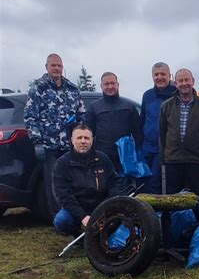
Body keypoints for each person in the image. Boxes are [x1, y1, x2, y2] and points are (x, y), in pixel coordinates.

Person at [24, 53, 85, 219]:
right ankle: (59, 218)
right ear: (47, 67)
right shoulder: (38, 89)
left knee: (73, 181)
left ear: (62, 67)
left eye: (59, 65)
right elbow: (30, 117)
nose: (57, 68)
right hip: (49, 146)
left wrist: (80, 136)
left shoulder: (72, 89)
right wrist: (37, 143)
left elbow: (82, 116)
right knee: (53, 183)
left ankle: (75, 215)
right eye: (53, 65)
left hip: (70, 146)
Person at [53, 124, 123, 236]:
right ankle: (78, 235)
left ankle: (103, 234)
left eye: (86, 138)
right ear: (72, 140)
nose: (83, 141)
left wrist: (108, 207)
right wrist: (83, 217)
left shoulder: (103, 159)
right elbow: (63, 195)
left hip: (101, 206)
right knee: (61, 220)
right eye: (79, 138)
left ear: (92, 140)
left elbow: (115, 183)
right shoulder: (62, 163)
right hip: (77, 207)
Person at [159, 68, 199, 200]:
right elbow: (162, 135)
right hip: (172, 162)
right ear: (176, 83)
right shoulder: (166, 106)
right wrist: (164, 160)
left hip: (197, 162)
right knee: (172, 201)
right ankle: (173, 221)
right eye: (180, 81)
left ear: (193, 81)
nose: (184, 83)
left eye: (187, 80)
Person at [85, 72, 142, 172]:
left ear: (117, 85)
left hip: (125, 156)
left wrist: (138, 153)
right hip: (102, 156)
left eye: (112, 83)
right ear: (101, 86)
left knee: (126, 186)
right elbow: (88, 134)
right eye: (106, 84)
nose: (110, 86)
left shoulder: (129, 106)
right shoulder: (94, 107)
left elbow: (138, 133)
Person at [140, 62, 176, 193]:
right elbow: (142, 118)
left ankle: (158, 213)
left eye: (163, 74)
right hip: (147, 147)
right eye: (156, 74)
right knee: (143, 181)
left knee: (156, 182)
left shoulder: (176, 94)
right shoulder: (147, 95)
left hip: (165, 149)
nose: (159, 77)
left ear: (169, 75)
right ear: (152, 76)